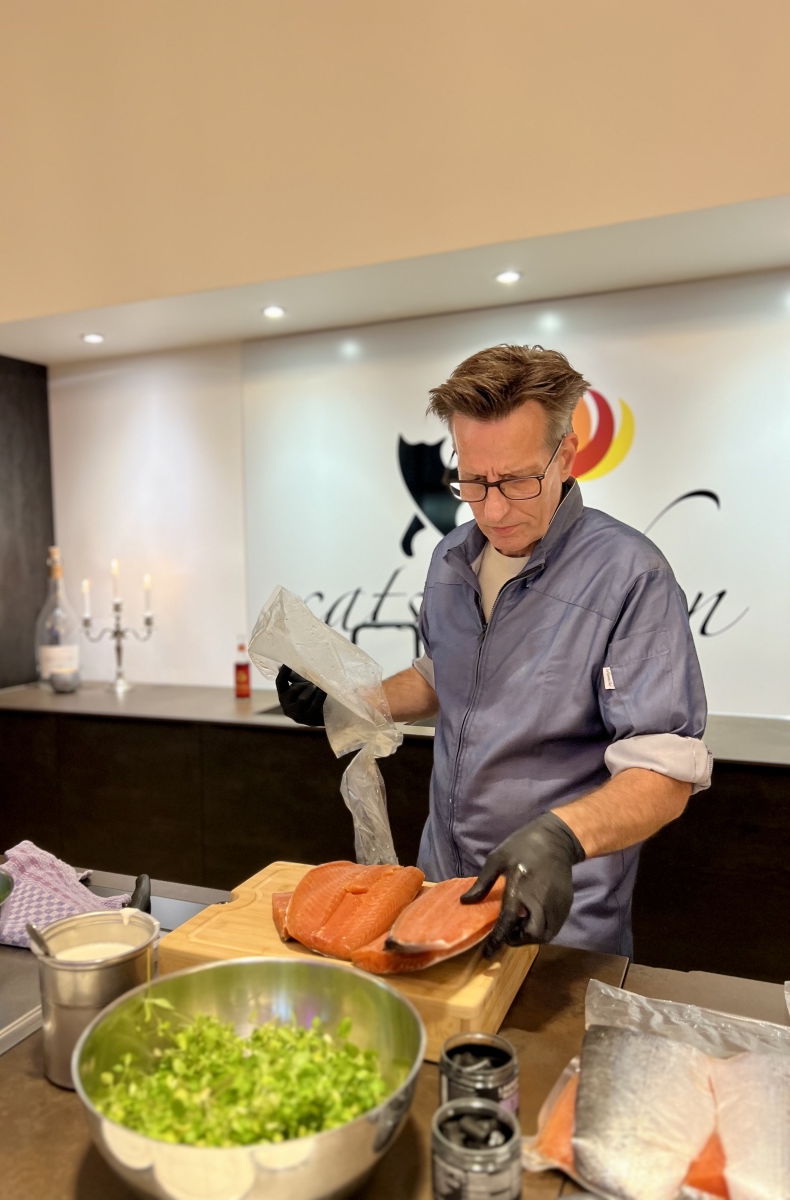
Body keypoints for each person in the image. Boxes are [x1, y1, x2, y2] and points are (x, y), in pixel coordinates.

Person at [276, 345, 710, 957]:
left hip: (556, 913)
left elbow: (663, 770)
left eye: (517, 481)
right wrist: (347, 700)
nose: (495, 509)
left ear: (566, 456)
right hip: (441, 886)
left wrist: (563, 836)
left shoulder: (630, 574)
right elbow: (447, 676)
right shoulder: (452, 557)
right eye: (475, 482)